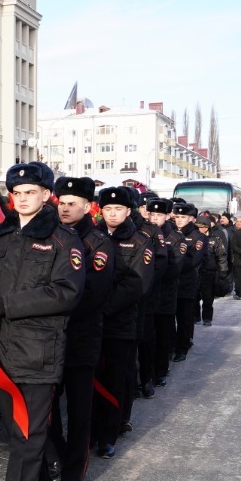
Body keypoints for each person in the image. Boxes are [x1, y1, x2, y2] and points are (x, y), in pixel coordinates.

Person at [0, 163, 85, 481]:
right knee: (20, 435)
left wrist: (6, 305)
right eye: (17, 193)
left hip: (39, 352)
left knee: (28, 438)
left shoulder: (63, 239)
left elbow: (66, 293)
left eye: (31, 192)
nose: (23, 199)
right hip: (1, 350)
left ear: (46, 195)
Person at [46, 176, 115, 481]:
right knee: (46, 407)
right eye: (62, 203)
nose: (65, 208)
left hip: (81, 334)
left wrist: (52, 307)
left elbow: (92, 292)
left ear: (88, 207)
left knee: (78, 408)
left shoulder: (98, 243)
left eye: (72, 204)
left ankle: (74, 470)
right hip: (49, 337)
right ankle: (57, 456)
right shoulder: (50, 235)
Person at [90, 186, 154, 464]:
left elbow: (137, 284)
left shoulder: (139, 241)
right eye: (107, 209)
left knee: (115, 379)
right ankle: (91, 431)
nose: (112, 214)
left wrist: (103, 307)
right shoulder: (90, 237)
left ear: (128, 211)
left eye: (118, 209)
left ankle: (109, 434)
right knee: (91, 380)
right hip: (91, 323)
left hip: (120, 323)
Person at [137, 197, 177, 395]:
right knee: (147, 337)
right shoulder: (142, 231)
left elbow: (172, 267)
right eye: (151, 213)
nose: (153, 218)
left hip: (164, 293)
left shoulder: (172, 236)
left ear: (167, 216)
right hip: (147, 294)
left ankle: (158, 372)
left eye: (158, 214)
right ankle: (147, 375)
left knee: (160, 335)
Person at [170, 201, 204, 361]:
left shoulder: (198, 237)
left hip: (187, 283)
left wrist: (172, 265)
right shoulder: (171, 234)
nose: (179, 220)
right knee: (169, 318)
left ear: (191, 218)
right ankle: (171, 345)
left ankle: (182, 348)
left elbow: (193, 261)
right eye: (177, 217)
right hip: (171, 283)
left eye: (183, 217)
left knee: (184, 318)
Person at [194, 213, 224, 327]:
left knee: (208, 297)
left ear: (207, 227)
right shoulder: (192, 238)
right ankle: (195, 316)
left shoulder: (215, 239)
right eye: (198, 226)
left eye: (202, 226)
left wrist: (223, 272)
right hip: (195, 272)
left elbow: (221, 256)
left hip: (209, 272)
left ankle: (207, 318)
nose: (200, 229)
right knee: (194, 296)